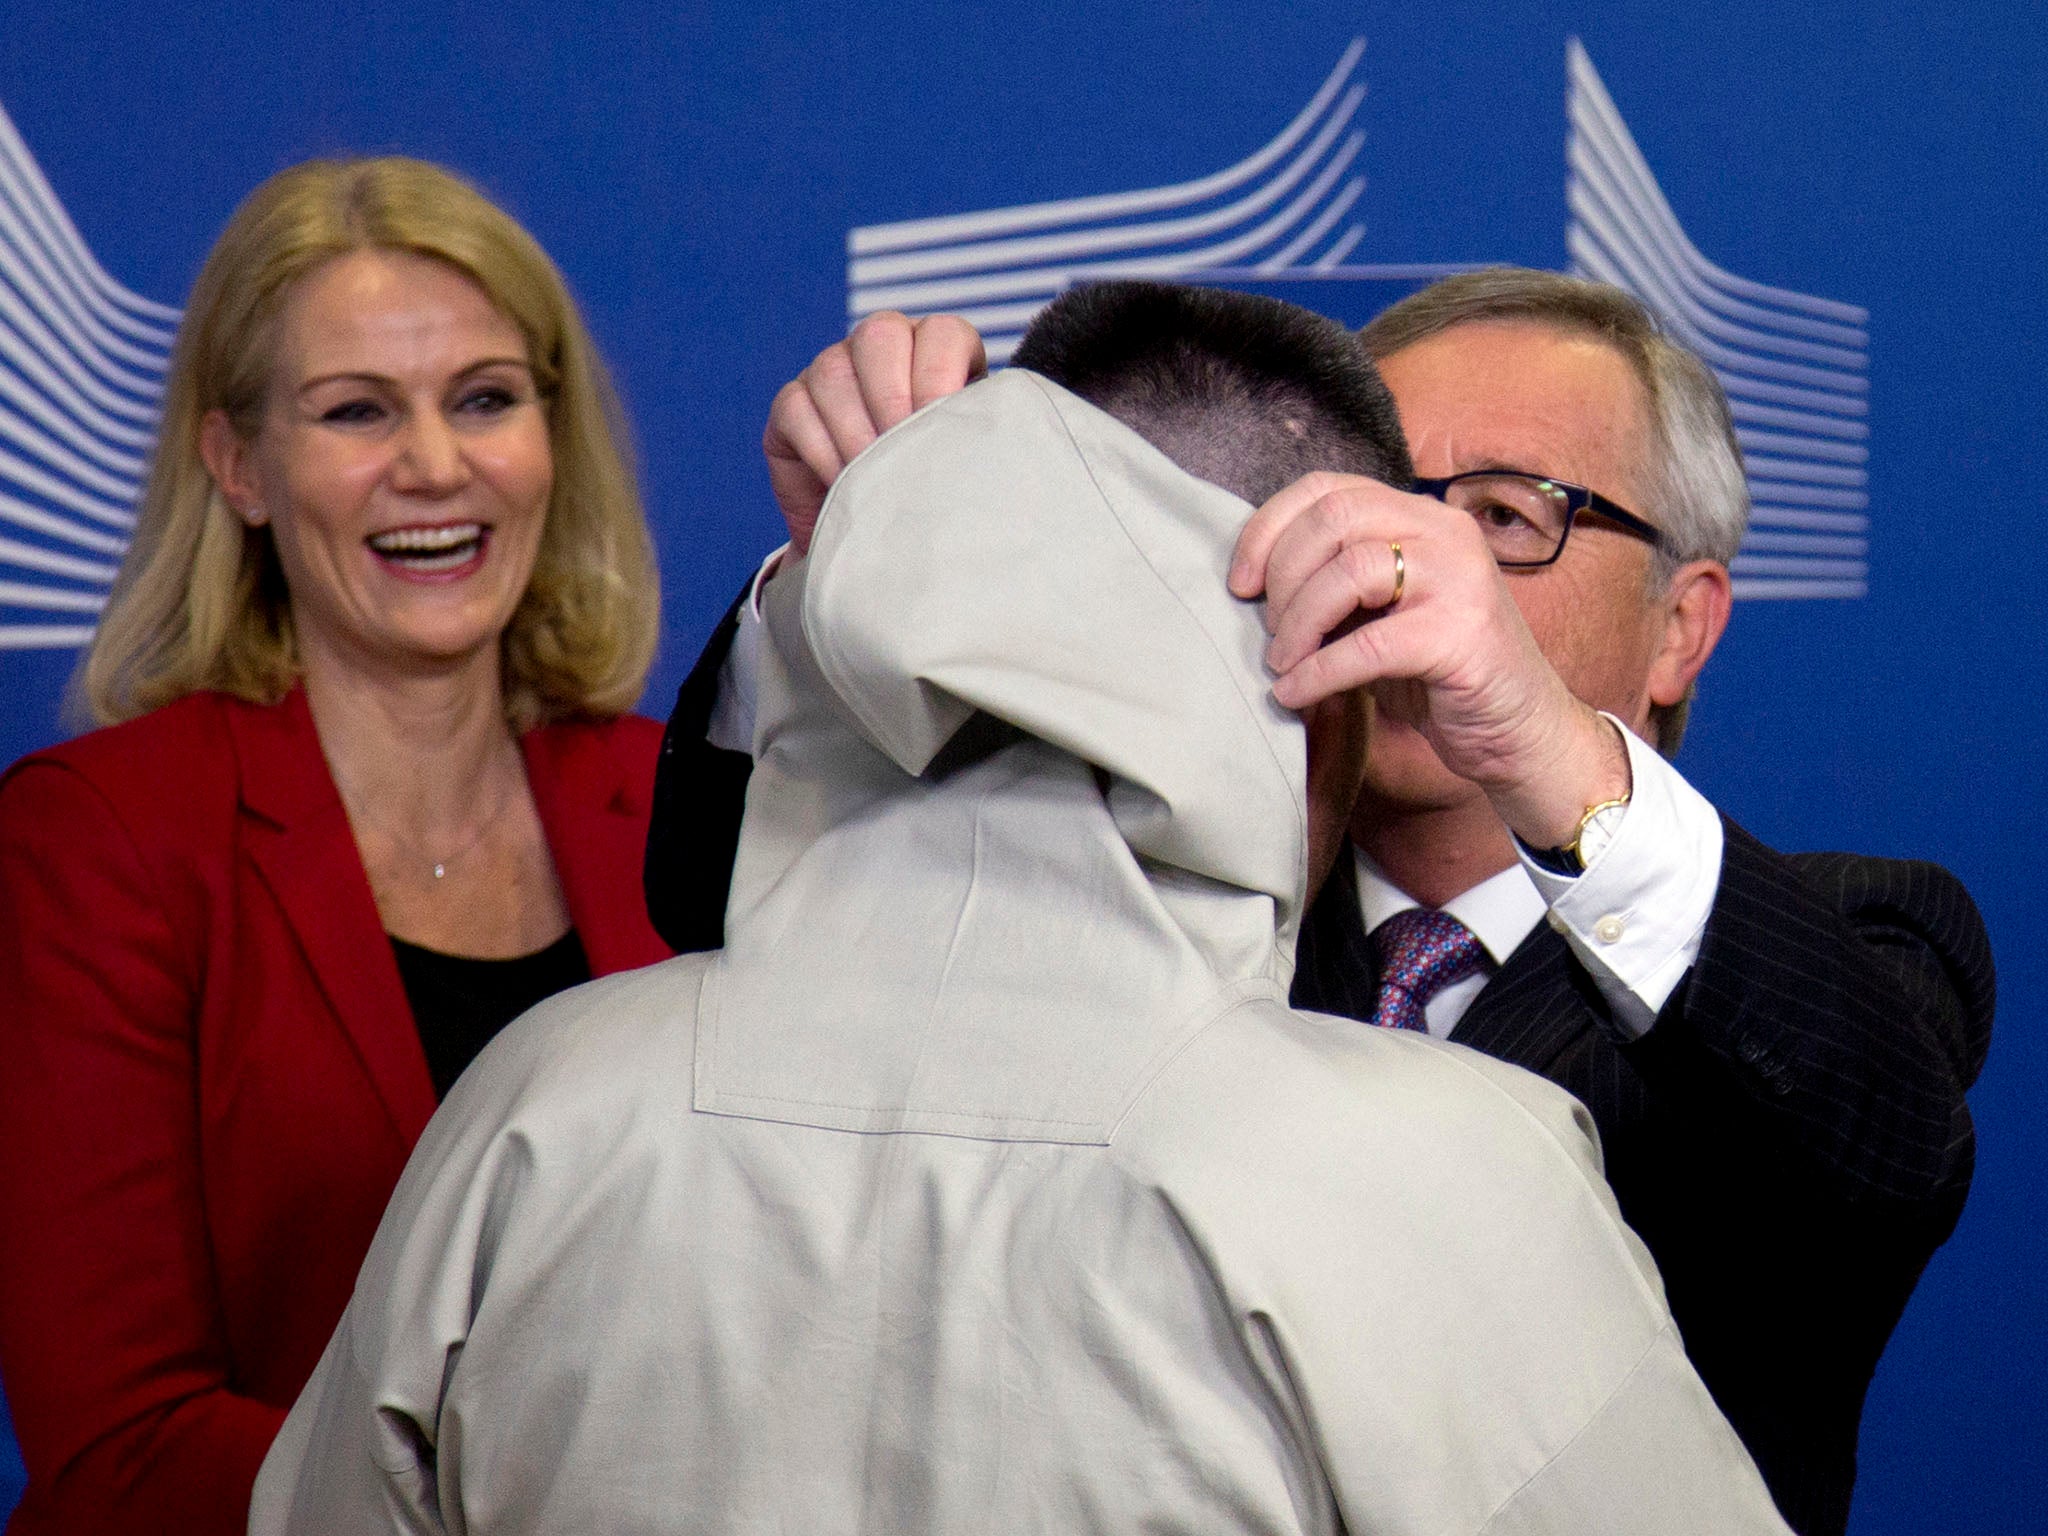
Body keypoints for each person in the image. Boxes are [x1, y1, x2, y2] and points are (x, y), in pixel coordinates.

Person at [252, 282, 1791, 1534]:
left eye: (1501, 525)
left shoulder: (532, 1106)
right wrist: (852, 557)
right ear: (1308, 631)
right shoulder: (1451, 1163)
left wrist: (910, 565)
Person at [644, 270, 1993, 1536]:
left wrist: (1533, 732)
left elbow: (1882, 1134)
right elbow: (730, 921)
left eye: (1509, 520)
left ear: (1683, 625)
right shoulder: (1139, 909)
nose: (1409, 566)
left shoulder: (1866, 936)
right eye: (1361, 505)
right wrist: (854, 569)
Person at [0, 157, 672, 1536]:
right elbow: (121, 1443)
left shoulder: (679, 802)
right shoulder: (104, 840)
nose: (435, 464)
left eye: (486, 399)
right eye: (358, 412)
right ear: (238, 464)